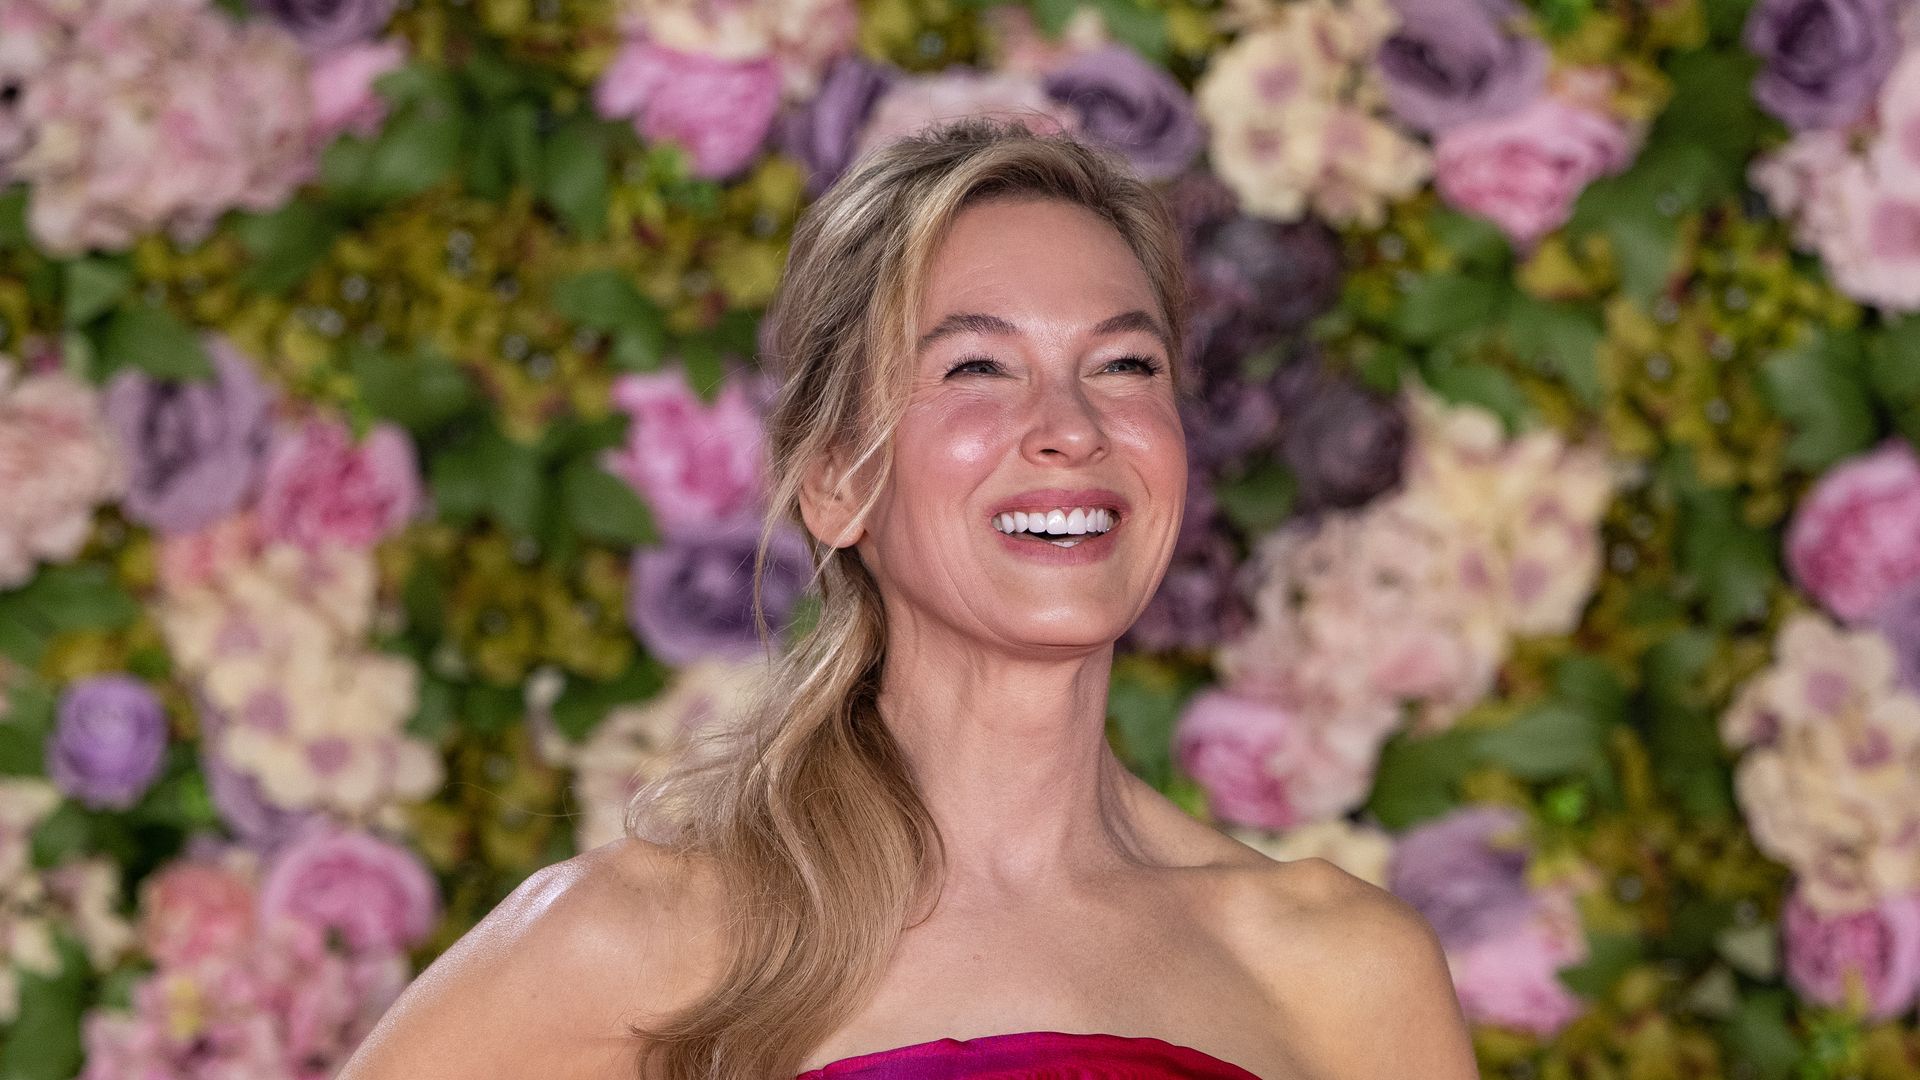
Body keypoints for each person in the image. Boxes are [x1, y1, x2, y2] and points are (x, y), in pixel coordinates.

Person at [337, 117, 1480, 1080]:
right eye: (977, 368)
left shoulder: (1341, 971)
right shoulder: (634, 942)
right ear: (839, 481)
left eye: (1125, 366)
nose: (1072, 428)